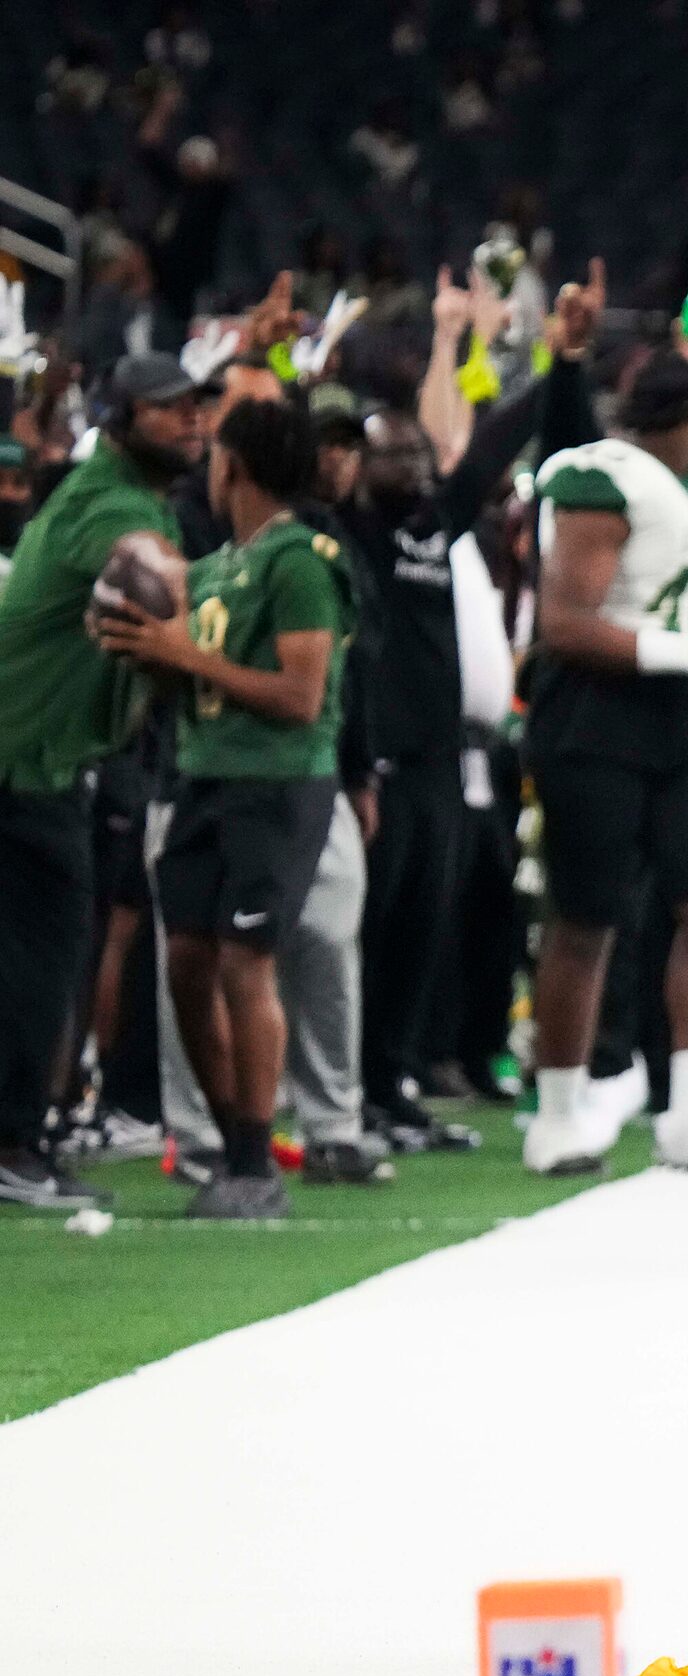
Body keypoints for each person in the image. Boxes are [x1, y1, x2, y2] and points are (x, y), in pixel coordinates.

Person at [341, 257, 598, 1153]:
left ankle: (397, 1085)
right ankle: (361, 1092)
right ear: (353, 467)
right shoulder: (354, 535)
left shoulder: (431, 525)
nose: (413, 466)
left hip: (446, 762)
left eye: (416, 455)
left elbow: (486, 451)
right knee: (371, 933)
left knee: (422, 929)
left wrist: (559, 366)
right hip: (381, 764)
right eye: (392, 454)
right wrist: (449, 338)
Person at [101, 396, 359, 1219]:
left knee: (248, 964)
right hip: (200, 778)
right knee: (186, 964)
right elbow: (187, 661)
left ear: (232, 467)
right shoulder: (222, 566)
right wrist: (140, 642)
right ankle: (230, 1146)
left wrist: (187, 655)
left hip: (278, 783)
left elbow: (300, 695)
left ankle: (253, 1161)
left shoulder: (302, 562)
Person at [518, 350, 688, 1177]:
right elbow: (563, 624)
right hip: (593, 715)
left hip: (679, 716)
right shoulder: (603, 479)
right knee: (587, 919)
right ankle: (556, 1116)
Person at [0, 352, 205, 1209]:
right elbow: (140, 557)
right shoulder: (114, 504)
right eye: (168, 410)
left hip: (33, 758)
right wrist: (184, 599)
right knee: (42, 963)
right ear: (121, 420)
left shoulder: (103, 484)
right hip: (28, 764)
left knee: (36, 958)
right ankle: (13, 1147)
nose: (190, 422)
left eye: (197, 408)